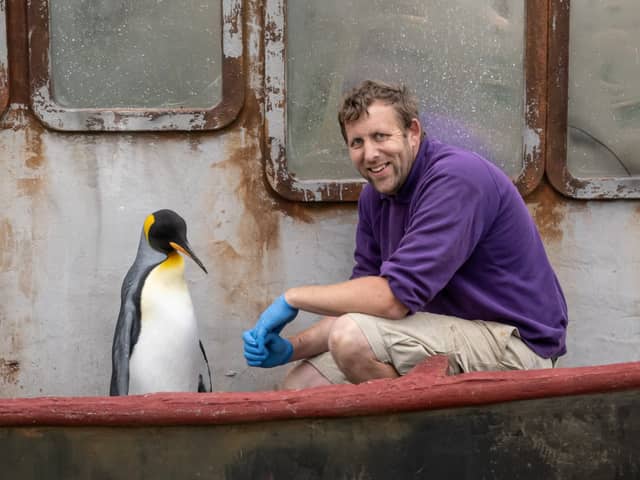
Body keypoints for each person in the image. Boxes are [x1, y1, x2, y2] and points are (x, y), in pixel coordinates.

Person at [243, 79, 567, 389]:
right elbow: (363, 303)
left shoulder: (456, 179)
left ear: (413, 132)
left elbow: (392, 300)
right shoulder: (375, 197)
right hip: (445, 335)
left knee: (351, 338)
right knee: (300, 386)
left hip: (516, 347)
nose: (370, 154)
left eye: (380, 136)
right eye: (357, 142)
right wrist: (290, 348)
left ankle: (420, 443)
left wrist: (293, 298)